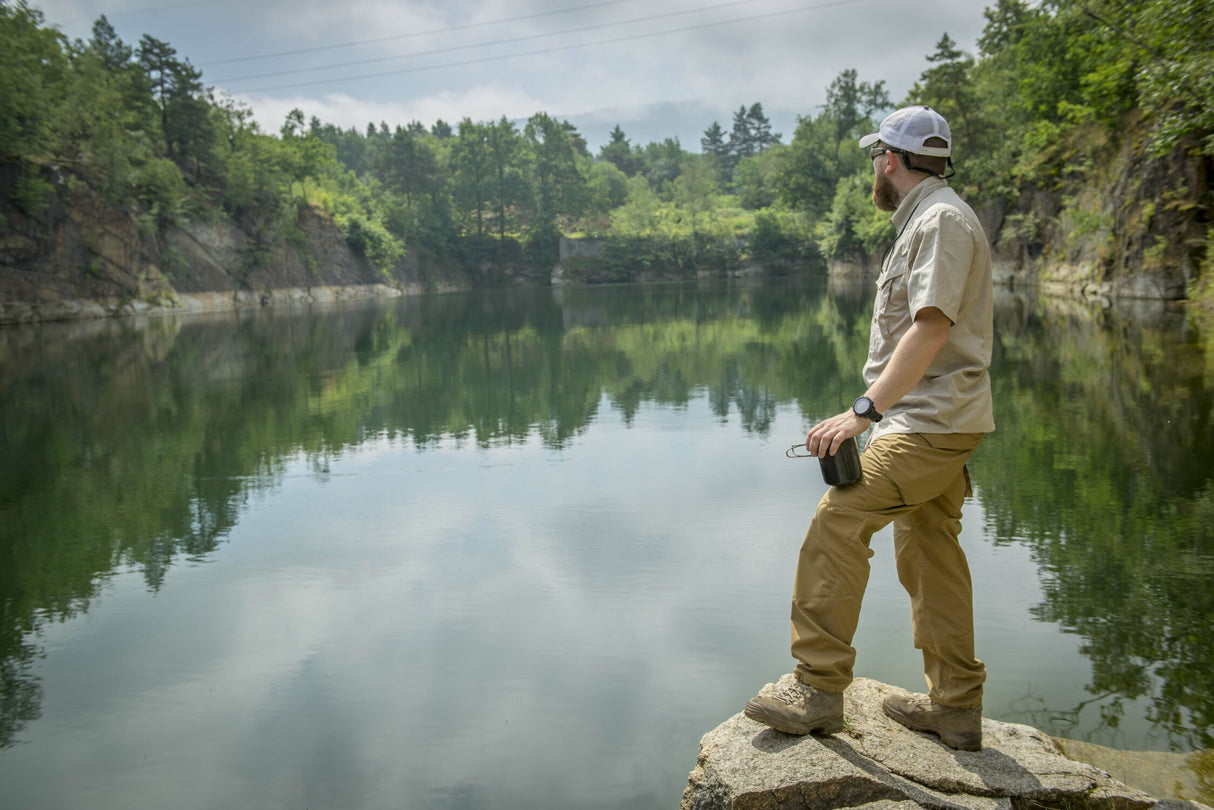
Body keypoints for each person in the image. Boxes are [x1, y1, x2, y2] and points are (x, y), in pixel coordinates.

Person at [743, 105, 995, 752]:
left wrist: (863, 412)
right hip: (935, 421)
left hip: (928, 425)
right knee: (930, 549)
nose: (874, 168)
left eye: (876, 156)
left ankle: (817, 688)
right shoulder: (930, 218)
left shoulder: (939, 222)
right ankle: (956, 708)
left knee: (839, 519)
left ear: (891, 159)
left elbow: (931, 329)